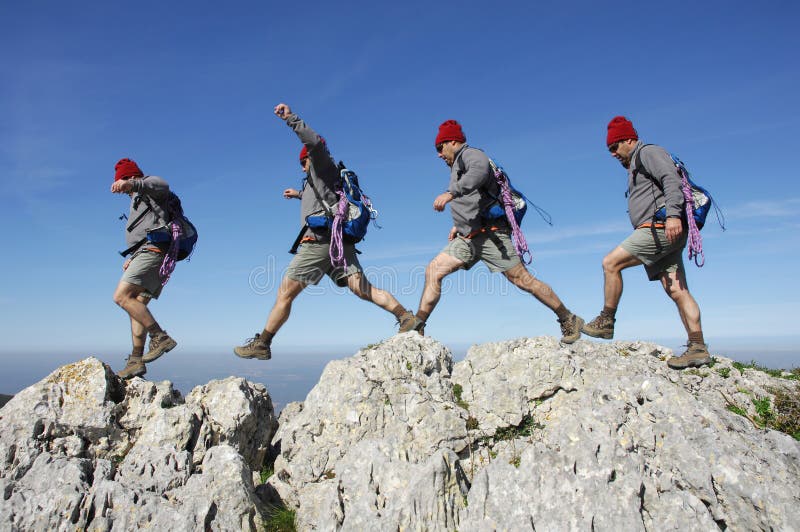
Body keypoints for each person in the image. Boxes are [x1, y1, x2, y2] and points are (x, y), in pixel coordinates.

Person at [233, 103, 419, 360]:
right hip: (338, 245)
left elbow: (316, 144)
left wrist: (290, 118)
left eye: (302, 162)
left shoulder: (320, 163)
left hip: (318, 244)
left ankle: (263, 343)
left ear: (307, 158)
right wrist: (298, 194)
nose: (301, 168)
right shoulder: (320, 179)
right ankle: (406, 317)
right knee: (362, 288)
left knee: (285, 293)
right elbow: (324, 204)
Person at [406, 119, 584, 342]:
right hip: (468, 237)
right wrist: (458, 224)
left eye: (439, 148)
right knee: (434, 270)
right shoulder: (458, 164)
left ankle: (568, 318)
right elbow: (475, 198)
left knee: (522, 280)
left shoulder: (472, 155)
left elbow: (478, 174)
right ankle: (418, 327)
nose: (438, 154)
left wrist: (450, 193)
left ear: (452, 142)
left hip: (491, 235)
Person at [581, 116, 711, 369]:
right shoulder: (635, 165)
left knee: (611, 263)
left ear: (629, 139)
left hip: (660, 228)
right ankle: (698, 347)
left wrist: (673, 215)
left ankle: (606, 321)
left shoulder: (649, 152)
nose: (612, 154)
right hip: (663, 231)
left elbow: (670, 180)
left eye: (614, 147)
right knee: (677, 290)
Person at [111, 158, 178, 379]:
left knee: (121, 297)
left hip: (154, 252)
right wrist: (132, 256)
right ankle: (136, 360)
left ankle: (159, 336)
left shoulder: (148, 186)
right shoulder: (137, 200)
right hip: (148, 254)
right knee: (136, 306)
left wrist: (132, 184)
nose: (121, 189)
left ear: (130, 176)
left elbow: (163, 185)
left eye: (121, 181)